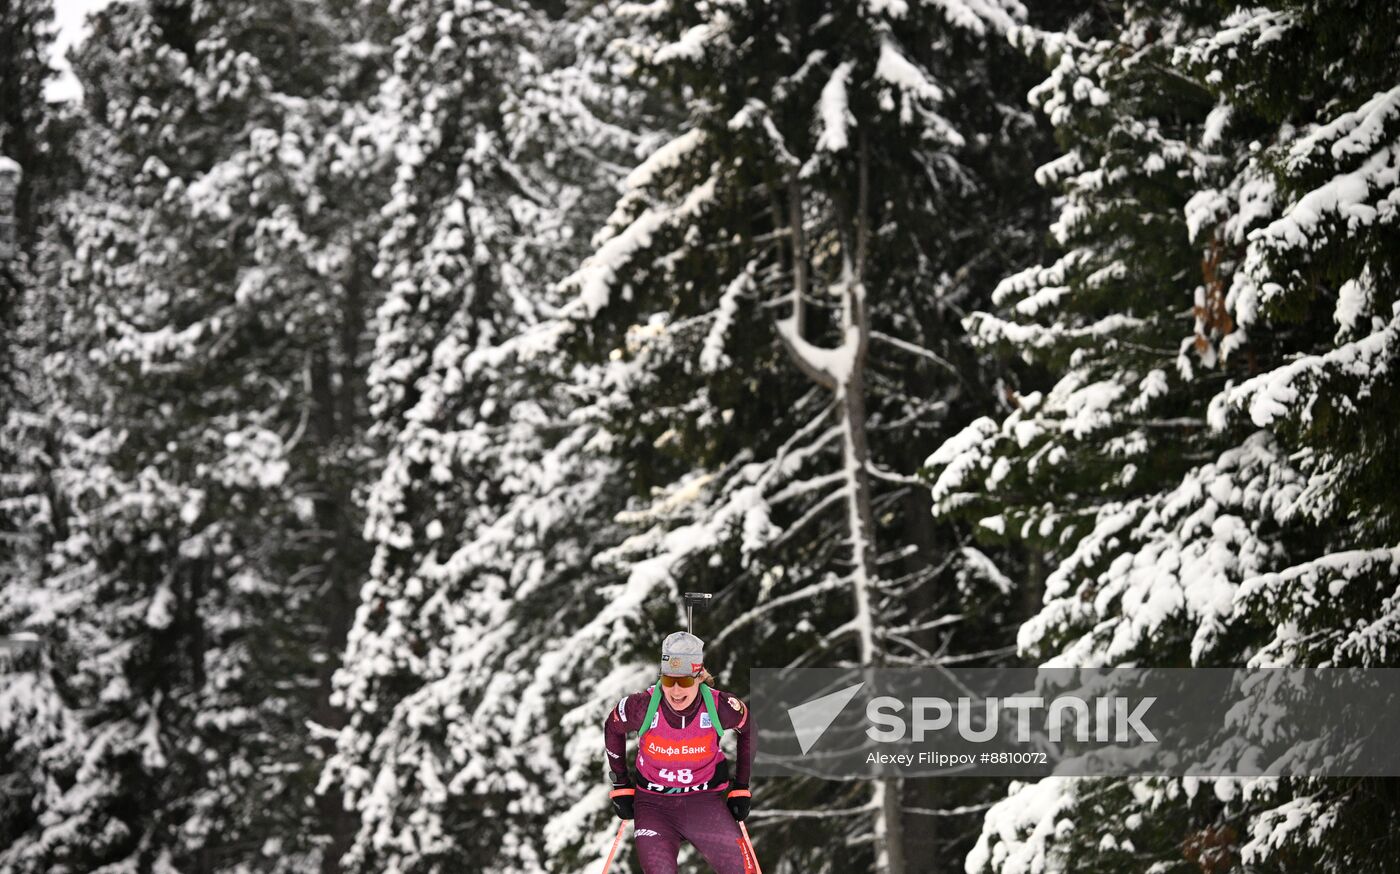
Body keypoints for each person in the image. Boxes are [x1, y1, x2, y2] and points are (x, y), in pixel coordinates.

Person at [604, 631, 757, 874]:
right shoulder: (642, 706)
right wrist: (621, 784)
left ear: (699, 676)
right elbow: (613, 727)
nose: (675, 691)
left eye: (684, 681)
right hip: (654, 805)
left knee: (742, 870)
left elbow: (749, 729)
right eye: (668, 680)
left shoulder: (721, 707)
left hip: (704, 803)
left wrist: (741, 786)